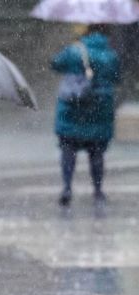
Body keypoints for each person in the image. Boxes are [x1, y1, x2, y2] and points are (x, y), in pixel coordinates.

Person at [51, 24, 121, 207]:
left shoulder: (74, 51)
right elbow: (117, 77)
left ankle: (67, 187)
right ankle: (98, 190)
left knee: (68, 149)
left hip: (72, 108)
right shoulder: (111, 55)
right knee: (97, 152)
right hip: (99, 109)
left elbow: (55, 64)